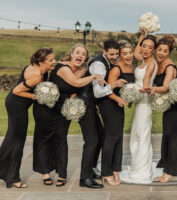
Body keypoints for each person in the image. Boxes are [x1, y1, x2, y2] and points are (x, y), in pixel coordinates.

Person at [33, 44, 104, 187]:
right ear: (71, 54)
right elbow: (76, 82)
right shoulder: (63, 68)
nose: (80, 55)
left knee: (61, 141)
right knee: (44, 140)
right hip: (47, 107)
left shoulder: (83, 68)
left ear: (85, 58)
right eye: (77, 52)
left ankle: (63, 175)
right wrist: (94, 76)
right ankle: (46, 173)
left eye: (83, 54)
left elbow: (77, 89)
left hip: (63, 109)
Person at [0, 48, 55, 188]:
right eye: (51, 60)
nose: (54, 62)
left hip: (16, 104)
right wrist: (36, 96)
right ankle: (12, 177)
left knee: (11, 139)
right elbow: (17, 90)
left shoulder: (35, 67)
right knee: (17, 141)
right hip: (17, 105)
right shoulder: (36, 75)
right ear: (41, 62)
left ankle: (7, 172)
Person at [121, 31, 157, 184]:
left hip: (144, 103)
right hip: (138, 103)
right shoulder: (141, 59)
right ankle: (138, 167)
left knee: (142, 135)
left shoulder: (151, 64)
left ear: (153, 50)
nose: (146, 49)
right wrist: (143, 35)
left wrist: (131, 93)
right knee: (136, 134)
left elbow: (145, 85)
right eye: (144, 46)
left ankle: (142, 172)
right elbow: (136, 51)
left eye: (150, 47)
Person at [149, 35, 177, 183]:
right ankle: (167, 167)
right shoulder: (157, 63)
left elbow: (165, 87)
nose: (161, 53)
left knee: (173, 138)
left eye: (165, 51)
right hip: (169, 107)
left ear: (170, 52)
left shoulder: (169, 66)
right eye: (159, 50)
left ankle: (170, 172)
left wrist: (150, 89)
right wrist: (143, 35)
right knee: (168, 137)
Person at [100, 40, 135, 185]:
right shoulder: (116, 69)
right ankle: (106, 173)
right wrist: (117, 99)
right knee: (111, 138)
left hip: (119, 105)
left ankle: (116, 170)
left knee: (118, 138)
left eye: (130, 53)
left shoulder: (131, 66)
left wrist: (130, 97)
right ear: (120, 55)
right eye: (124, 53)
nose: (128, 56)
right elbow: (108, 90)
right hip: (109, 104)